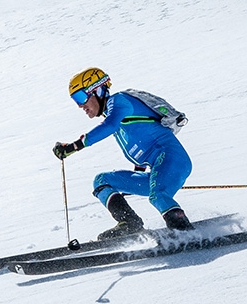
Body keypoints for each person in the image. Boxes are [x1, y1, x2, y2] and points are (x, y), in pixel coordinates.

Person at [53, 67, 193, 240]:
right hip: (158, 168)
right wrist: (134, 179)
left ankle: (186, 234)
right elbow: (143, 144)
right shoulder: (117, 119)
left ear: (97, 90)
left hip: (172, 160)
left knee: (158, 196)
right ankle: (130, 224)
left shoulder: (119, 101)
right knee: (102, 181)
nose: (81, 105)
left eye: (81, 97)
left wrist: (74, 146)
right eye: (76, 100)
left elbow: (109, 126)